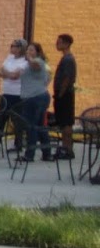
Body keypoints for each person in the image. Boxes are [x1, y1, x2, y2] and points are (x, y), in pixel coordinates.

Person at [15, 41, 53, 163]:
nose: (28, 52)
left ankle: (29, 154)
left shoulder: (38, 62)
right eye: (28, 50)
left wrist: (30, 59)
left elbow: (35, 66)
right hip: (33, 97)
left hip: (36, 98)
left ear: (37, 52)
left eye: (31, 50)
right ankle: (47, 153)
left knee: (31, 126)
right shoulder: (28, 65)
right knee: (40, 126)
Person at [0, 37, 28, 154]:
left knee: (17, 120)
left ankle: (18, 144)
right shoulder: (9, 58)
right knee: (1, 118)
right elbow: (1, 72)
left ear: (21, 48)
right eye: (11, 46)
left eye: (14, 46)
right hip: (6, 92)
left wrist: (7, 73)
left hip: (18, 94)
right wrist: (7, 74)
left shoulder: (25, 62)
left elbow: (16, 76)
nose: (12, 48)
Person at [52, 34, 77, 162]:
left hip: (65, 95)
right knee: (63, 122)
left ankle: (67, 148)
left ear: (66, 44)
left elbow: (67, 78)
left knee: (66, 122)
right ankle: (65, 147)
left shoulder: (68, 59)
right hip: (62, 94)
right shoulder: (65, 58)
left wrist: (60, 94)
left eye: (59, 42)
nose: (57, 44)